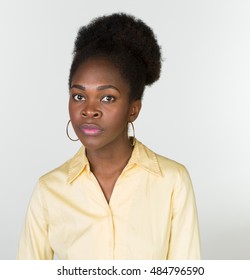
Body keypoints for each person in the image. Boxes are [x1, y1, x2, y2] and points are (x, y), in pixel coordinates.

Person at [17, 13, 200, 260]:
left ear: (133, 109)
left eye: (107, 98)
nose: (89, 110)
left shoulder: (172, 182)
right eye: (79, 96)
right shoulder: (49, 190)